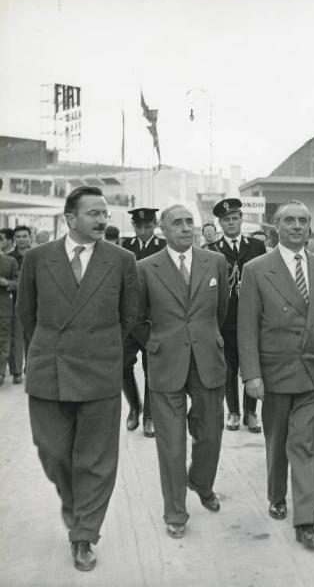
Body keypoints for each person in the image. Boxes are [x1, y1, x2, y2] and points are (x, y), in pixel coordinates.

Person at [17, 186, 139, 572]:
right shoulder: (37, 258)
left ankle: (84, 533)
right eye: (94, 214)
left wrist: (100, 348)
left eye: (105, 214)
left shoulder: (122, 260)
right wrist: (51, 348)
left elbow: (129, 316)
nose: (103, 220)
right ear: (70, 219)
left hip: (100, 371)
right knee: (52, 452)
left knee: (97, 459)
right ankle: (74, 506)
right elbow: (27, 314)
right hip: (49, 370)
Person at [238, 200, 314, 550]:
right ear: (275, 226)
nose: (297, 226)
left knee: (308, 444)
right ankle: (276, 493)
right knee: (278, 440)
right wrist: (251, 374)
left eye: (303, 221)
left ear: (310, 227)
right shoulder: (256, 269)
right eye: (289, 221)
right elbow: (247, 327)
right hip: (276, 370)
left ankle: (306, 521)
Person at [134, 204, 229, 540]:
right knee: (171, 445)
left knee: (211, 434)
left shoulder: (215, 262)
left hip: (207, 362)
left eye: (190, 222)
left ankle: (201, 482)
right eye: (178, 223)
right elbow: (135, 317)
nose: (187, 228)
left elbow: (222, 311)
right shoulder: (144, 268)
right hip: (166, 363)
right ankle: (175, 511)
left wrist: (207, 338)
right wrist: (156, 342)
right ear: (162, 229)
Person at [206, 198, 266, 432]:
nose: (231, 223)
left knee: (251, 364)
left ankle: (251, 413)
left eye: (234, 218)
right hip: (227, 317)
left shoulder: (256, 247)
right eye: (226, 220)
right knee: (229, 366)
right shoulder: (212, 250)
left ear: (241, 220)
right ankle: (233, 411)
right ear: (220, 224)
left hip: (252, 314)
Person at [120, 208, 166, 437]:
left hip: (152, 321)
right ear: (133, 226)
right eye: (139, 227)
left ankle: (149, 416)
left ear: (155, 225)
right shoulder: (123, 246)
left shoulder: (163, 247)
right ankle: (134, 407)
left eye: (148, 226)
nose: (144, 231)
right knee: (122, 366)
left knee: (153, 369)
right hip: (129, 320)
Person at [8, 225, 31, 384]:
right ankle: (16, 371)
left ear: (30, 237)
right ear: (14, 239)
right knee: (16, 338)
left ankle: (30, 369)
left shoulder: (37, 255)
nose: (21, 239)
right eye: (18, 237)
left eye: (24, 236)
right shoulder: (9, 258)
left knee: (33, 337)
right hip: (15, 303)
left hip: (35, 303)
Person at [0, 246, 19, 386]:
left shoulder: (10, 261)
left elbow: (18, 283)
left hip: (3, 306)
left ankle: (0, 373)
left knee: (3, 340)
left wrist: (6, 283)